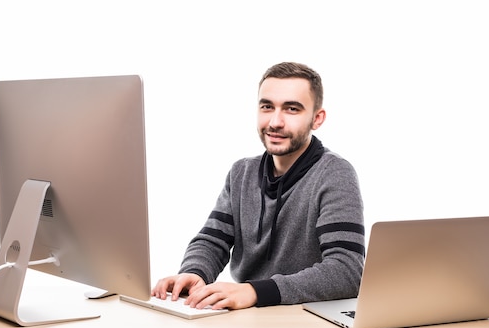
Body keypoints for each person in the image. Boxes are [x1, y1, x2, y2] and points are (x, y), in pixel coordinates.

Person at [151, 62, 365, 310]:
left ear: (317, 119)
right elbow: (212, 241)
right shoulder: (242, 172)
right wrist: (194, 273)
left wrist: (255, 291)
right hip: (250, 317)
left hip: (307, 318)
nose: (275, 121)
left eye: (292, 109)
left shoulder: (335, 173)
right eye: (267, 107)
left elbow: (347, 271)